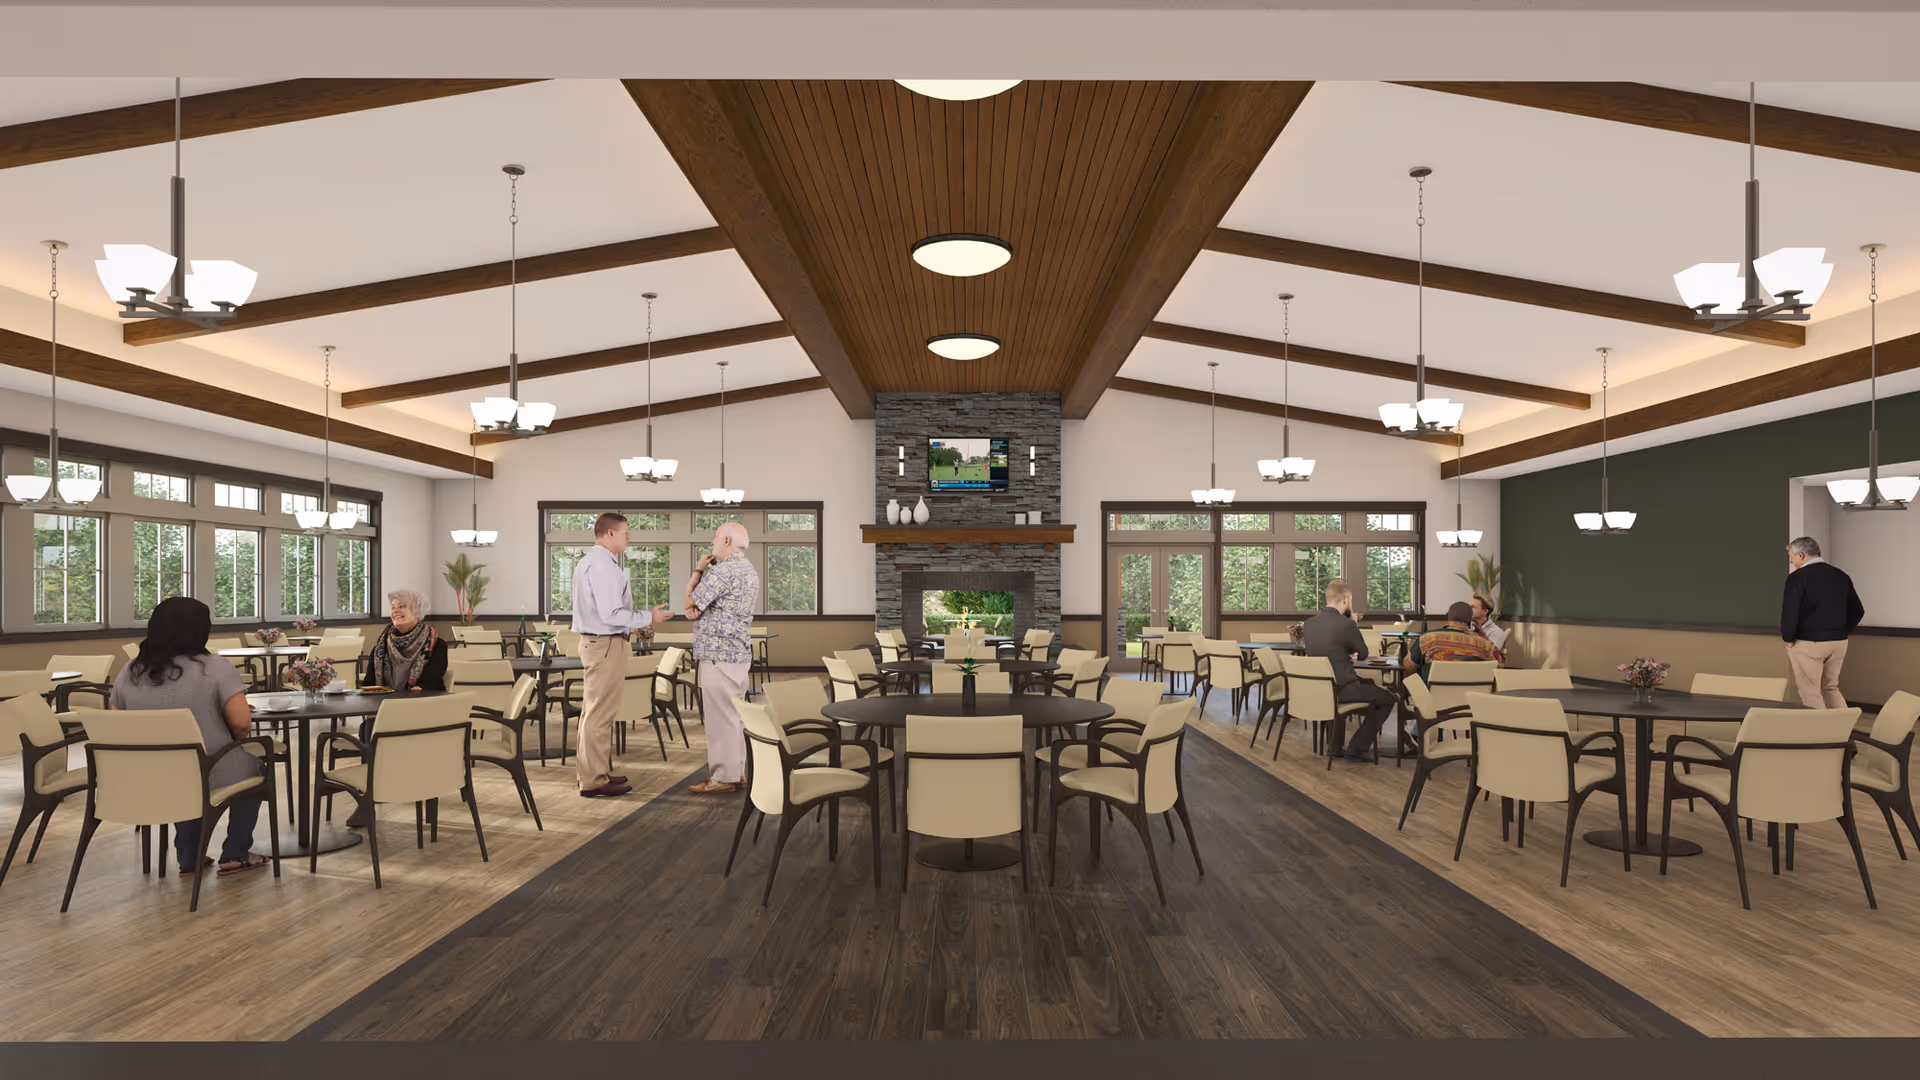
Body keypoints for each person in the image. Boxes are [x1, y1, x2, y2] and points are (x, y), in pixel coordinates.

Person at [109, 596, 270, 877]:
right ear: (201, 629)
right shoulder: (216, 668)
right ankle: (235, 852)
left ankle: (189, 857)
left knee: (179, 769)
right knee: (253, 767)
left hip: (146, 773)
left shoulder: (129, 670)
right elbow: (242, 726)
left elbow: (116, 723)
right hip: (210, 768)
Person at [572, 513, 675, 798]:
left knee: (593, 712)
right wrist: (648, 617)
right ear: (608, 534)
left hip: (599, 643)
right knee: (600, 714)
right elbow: (611, 614)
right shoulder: (603, 567)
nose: (629, 537)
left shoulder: (589, 562)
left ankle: (593, 773)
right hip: (605, 644)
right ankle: (593, 780)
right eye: (625, 532)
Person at [683, 521, 759, 793]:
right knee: (735, 716)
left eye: (715, 538)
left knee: (719, 719)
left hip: (717, 654)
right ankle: (736, 772)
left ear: (726, 541)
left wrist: (698, 570)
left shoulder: (723, 571)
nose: (712, 544)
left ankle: (722, 778)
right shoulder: (748, 570)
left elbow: (689, 604)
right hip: (738, 653)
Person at [1302, 579, 1397, 761]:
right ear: (1346, 600)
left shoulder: (1310, 624)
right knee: (1388, 698)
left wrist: (1344, 652)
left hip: (1321, 688)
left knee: (1347, 688)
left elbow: (1328, 650)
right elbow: (1363, 653)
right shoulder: (1346, 624)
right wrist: (1353, 622)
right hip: (1344, 689)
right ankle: (1357, 748)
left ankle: (1335, 747)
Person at [1782, 536, 1864, 709]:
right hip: (1839, 642)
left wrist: (1788, 638)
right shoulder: (1841, 575)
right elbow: (1858, 610)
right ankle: (1843, 730)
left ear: (1801, 555)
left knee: (1810, 693)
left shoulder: (1797, 578)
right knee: (1830, 688)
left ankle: (1820, 736)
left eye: (1792, 559)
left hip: (1808, 643)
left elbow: (1791, 611)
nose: (1792, 563)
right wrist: (1842, 630)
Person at [368, 589, 449, 692]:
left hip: (423, 703)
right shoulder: (380, 647)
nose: (395, 611)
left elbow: (428, 684)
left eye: (401, 606)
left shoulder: (436, 645)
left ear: (417, 611)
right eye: (393, 607)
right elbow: (369, 684)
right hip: (384, 703)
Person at [1404, 601, 1500, 683]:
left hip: (1434, 700)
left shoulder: (1427, 639)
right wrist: (1483, 635)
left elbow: (1408, 665)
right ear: (1470, 621)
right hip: (1472, 700)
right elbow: (1499, 666)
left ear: (1446, 617)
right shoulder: (1484, 644)